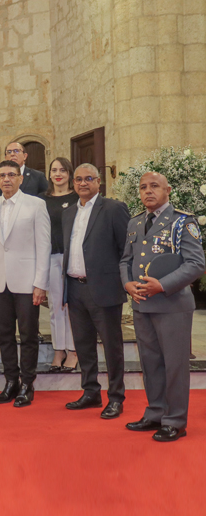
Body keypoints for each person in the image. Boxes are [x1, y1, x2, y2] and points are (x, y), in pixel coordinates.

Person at [121, 172, 206, 442]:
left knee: (174, 365)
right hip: (142, 304)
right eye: (143, 187)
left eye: (154, 186)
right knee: (150, 364)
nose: (148, 191)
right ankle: (156, 412)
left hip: (172, 305)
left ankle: (175, 420)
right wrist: (127, 285)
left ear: (167, 190)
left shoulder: (183, 222)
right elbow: (125, 261)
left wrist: (163, 285)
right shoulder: (135, 222)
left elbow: (196, 264)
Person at [0, 160, 51, 407]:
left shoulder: (36, 205)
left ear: (20, 178)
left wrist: (40, 283)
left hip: (27, 281)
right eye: (2, 175)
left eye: (11, 175)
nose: (6, 179)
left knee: (29, 335)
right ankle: (10, 381)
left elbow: (44, 246)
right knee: (4, 335)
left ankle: (27, 384)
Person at [62, 164, 130, 418]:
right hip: (75, 287)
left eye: (88, 179)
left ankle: (116, 397)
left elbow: (126, 249)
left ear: (98, 182)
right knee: (83, 345)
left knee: (112, 346)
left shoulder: (113, 208)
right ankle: (90, 392)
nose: (82, 183)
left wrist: (126, 282)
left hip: (103, 288)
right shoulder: (69, 213)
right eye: (78, 179)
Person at [41, 157, 79, 372]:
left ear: (69, 173)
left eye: (63, 170)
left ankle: (73, 351)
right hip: (52, 256)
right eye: (54, 170)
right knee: (56, 307)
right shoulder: (42, 200)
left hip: (73, 257)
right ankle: (59, 349)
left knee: (72, 306)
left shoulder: (77, 197)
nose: (58, 174)